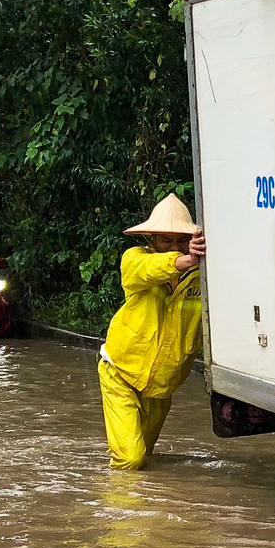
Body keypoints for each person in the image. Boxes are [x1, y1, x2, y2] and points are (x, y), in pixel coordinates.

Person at [99, 192, 205, 470]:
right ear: (152, 240)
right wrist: (183, 261)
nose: (175, 246)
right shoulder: (135, 259)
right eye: (166, 240)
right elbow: (146, 270)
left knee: (144, 456)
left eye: (182, 240)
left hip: (161, 387)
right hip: (120, 374)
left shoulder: (204, 276)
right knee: (130, 459)